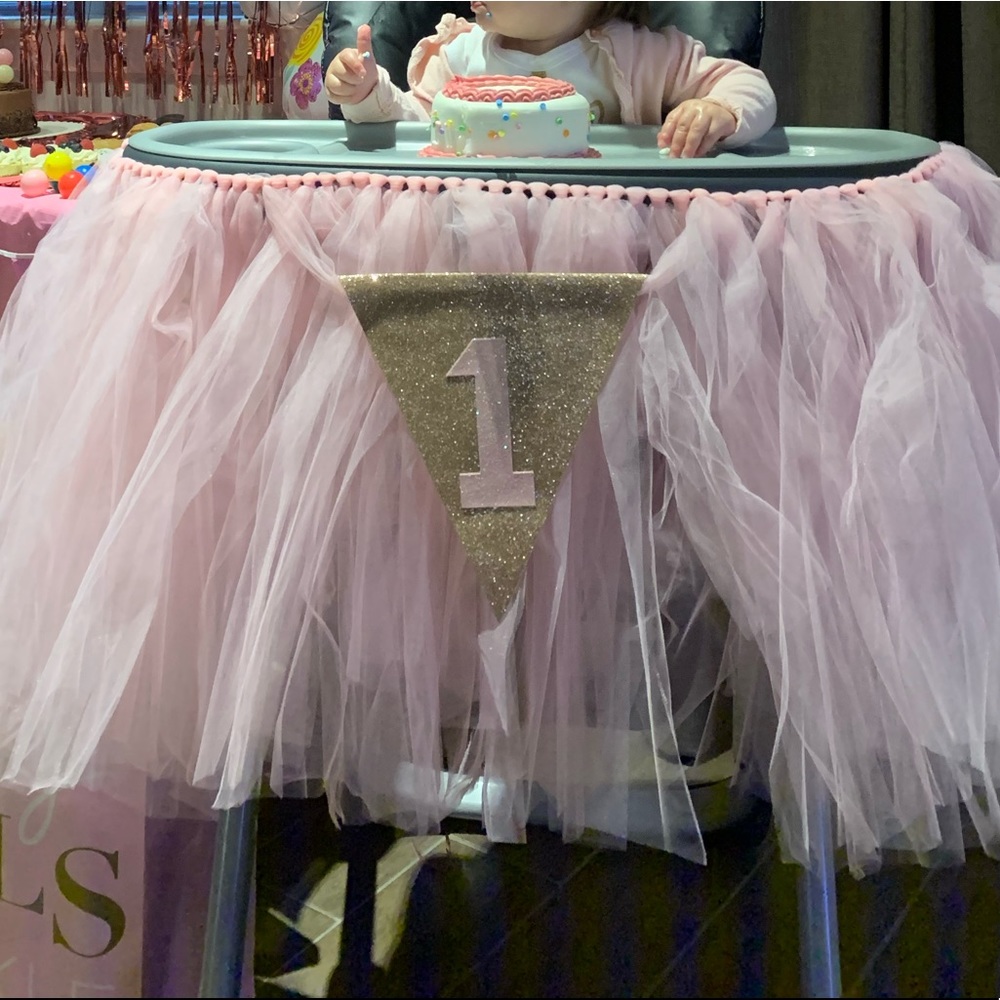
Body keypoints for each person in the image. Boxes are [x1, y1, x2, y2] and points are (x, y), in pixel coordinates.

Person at [324, 1, 776, 158]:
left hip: (611, 242)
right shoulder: (460, 54)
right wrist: (367, 94)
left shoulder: (641, 58)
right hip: (476, 237)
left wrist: (719, 111)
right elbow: (415, 127)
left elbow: (749, 86)